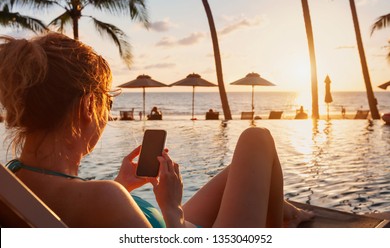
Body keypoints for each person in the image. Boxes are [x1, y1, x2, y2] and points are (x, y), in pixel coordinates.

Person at [0, 33, 313, 228]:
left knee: (242, 170)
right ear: (87, 107)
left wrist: (121, 185)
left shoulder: (14, 184)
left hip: (165, 226)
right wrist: (171, 208)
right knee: (256, 139)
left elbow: (78, 210)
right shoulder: (103, 199)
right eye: (106, 103)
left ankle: (280, 209)